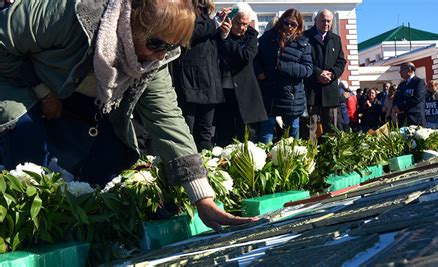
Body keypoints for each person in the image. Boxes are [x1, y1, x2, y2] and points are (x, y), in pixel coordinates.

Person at [0, 0, 253, 230]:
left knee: (109, 157)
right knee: (28, 154)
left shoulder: (153, 60)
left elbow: (166, 119)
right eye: (156, 44)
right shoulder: (69, 13)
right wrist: (42, 92)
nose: (161, 55)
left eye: (171, 47)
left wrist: (202, 197)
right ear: (133, 21)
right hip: (15, 80)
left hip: (73, 96)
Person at [254, 8, 313, 144]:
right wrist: (259, 72)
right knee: (266, 133)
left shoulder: (303, 43)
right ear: (282, 21)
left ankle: (291, 162)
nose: (289, 27)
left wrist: (285, 66)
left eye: (294, 25)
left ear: (298, 26)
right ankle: (266, 163)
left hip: (291, 95)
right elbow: (256, 58)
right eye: (287, 23)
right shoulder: (268, 38)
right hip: (270, 92)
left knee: (292, 136)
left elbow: (308, 69)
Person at [172, 0, 224, 152]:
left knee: (206, 131)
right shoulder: (184, 10)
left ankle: (206, 167)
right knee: (188, 129)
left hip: (209, 79)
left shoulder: (207, 16)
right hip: (191, 79)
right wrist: (214, 24)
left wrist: (223, 32)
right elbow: (189, 32)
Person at [214, 3, 267, 146]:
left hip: (246, 93)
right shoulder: (220, 33)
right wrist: (223, 36)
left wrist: (226, 40)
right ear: (230, 20)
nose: (241, 27)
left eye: (245, 24)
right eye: (238, 23)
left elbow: (246, 56)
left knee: (247, 138)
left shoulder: (251, 35)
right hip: (224, 92)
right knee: (225, 135)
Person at [304, 9, 347, 139]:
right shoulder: (305, 37)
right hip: (312, 93)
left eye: (329, 21)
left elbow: (341, 61)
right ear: (316, 21)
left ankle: (331, 158)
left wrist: (332, 74)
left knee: (332, 132)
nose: (326, 23)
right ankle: (309, 158)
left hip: (330, 92)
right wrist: (318, 73)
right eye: (323, 20)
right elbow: (303, 60)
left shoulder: (336, 39)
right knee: (309, 132)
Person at [393, 62, 426, 127]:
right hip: (402, 119)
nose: (400, 72)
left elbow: (417, 98)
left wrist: (401, 108)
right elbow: (396, 98)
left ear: (409, 70)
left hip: (415, 118)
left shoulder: (419, 82)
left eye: (402, 70)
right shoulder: (401, 85)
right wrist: (395, 106)